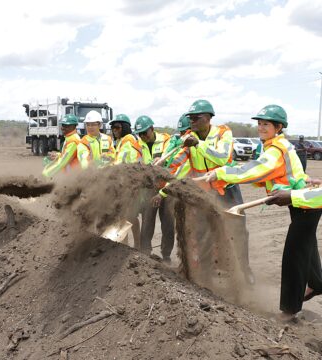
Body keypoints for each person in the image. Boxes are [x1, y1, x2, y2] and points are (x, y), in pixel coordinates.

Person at [203, 104, 321, 320]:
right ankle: (316, 284)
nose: (260, 127)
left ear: (278, 127)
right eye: (259, 123)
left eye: (266, 124)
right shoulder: (275, 145)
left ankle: (289, 310)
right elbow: (267, 174)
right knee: (307, 247)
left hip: (305, 204)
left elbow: (255, 169)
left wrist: (221, 173)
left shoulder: (277, 149)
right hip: (302, 204)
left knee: (294, 255)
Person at [156, 100, 254, 286]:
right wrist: (162, 165)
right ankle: (203, 274)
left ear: (208, 117)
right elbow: (177, 161)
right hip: (205, 193)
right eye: (190, 118)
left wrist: (198, 144)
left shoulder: (223, 133)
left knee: (238, 230)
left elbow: (222, 157)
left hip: (227, 189)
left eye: (196, 117)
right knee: (201, 231)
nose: (192, 120)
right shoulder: (189, 138)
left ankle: (245, 270)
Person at [133, 115, 174, 262]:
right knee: (147, 220)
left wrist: (163, 159)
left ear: (152, 128)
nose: (143, 136)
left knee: (168, 222)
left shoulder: (166, 140)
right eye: (140, 134)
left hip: (167, 188)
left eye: (145, 132)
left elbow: (172, 160)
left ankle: (166, 255)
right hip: (150, 188)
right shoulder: (139, 144)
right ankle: (145, 253)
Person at [109, 113, 141, 248]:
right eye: (113, 128)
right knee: (132, 216)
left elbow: (120, 162)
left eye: (117, 127)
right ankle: (137, 246)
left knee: (124, 216)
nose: (114, 130)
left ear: (125, 127)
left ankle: (125, 247)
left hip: (128, 184)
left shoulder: (128, 141)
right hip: (133, 183)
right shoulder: (128, 140)